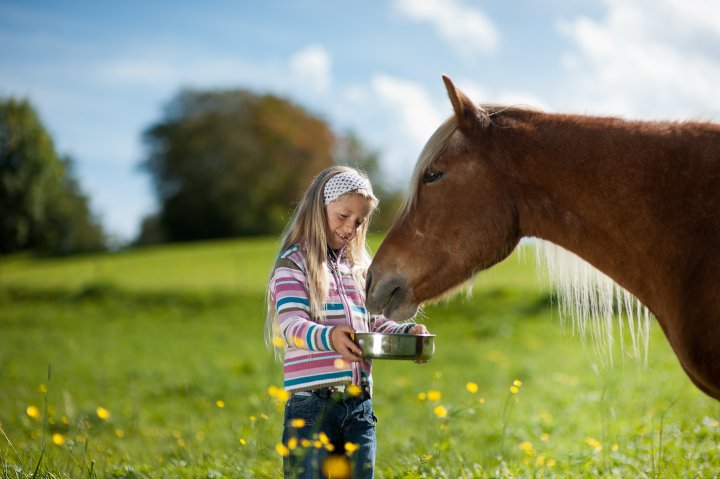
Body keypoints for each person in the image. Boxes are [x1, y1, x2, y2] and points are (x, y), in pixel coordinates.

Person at [265, 166, 430, 478]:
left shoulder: (357, 270)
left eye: (359, 221)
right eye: (343, 215)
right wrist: (331, 337)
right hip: (311, 409)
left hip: (358, 408)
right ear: (320, 208)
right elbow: (292, 325)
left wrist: (408, 333)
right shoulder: (293, 265)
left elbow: (373, 324)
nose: (350, 227)